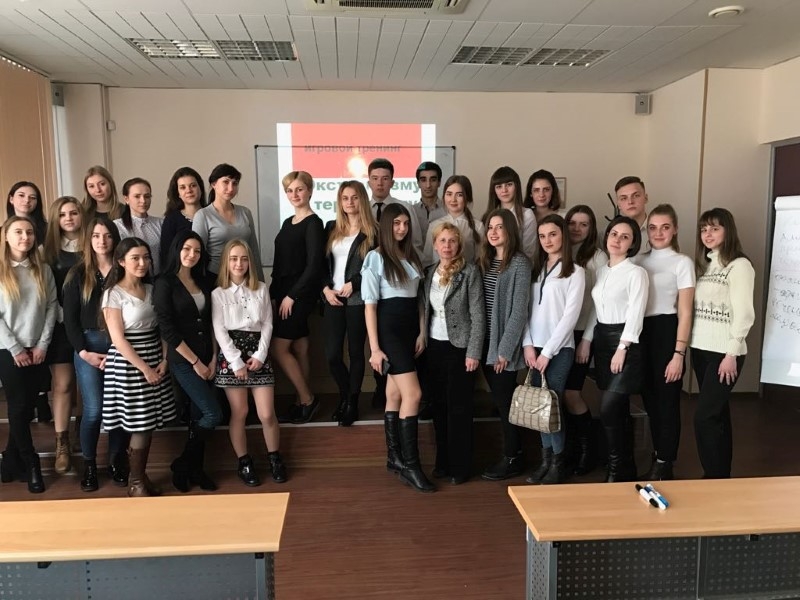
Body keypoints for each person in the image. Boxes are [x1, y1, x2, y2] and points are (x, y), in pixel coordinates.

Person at [362, 202, 434, 493]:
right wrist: (375, 349)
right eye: (396, 223)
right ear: (386, 226)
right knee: (413, 394)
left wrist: (422, 332)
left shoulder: (412, 257)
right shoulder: (376, 258)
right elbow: (370, 307)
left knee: (394, 394)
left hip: (409, 330)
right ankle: (411, 465)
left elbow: (419, 301)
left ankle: (394, 458)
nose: (402, 228)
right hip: (389, 331)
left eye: (405, 223)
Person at [101, 237, 176, 496]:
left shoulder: (153, 289)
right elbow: (118, 339)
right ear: (121, 262)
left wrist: (164, 359)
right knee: (140, 423)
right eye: (135, 258)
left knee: (149, 421)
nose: (142, 263)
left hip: (155, 354)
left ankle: (140, 477)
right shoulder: (113, 294)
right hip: (129, 363)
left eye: (146, 257)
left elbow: (163, 328)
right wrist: (145, 368)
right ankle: (136, 483)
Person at [578, 216, 648, 482]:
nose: (617, 240)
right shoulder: (602, 271)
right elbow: (596, 310)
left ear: (633, 243)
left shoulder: (636, 273)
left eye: (625, 236)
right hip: (602, 340)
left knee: (608, 408)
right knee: (618, 410)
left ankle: (617, 468)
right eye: (614, 234)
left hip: (625, 342)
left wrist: (623, 347)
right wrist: (586, 339)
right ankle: (625, 465)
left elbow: (636, 314)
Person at [212, 239, 285, 486]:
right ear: (226, 262)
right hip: (232, 356)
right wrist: (236, 362)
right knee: (240, 412)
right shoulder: (218, 293)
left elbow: (267, 324)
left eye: (243, 259)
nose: (239, 264)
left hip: (258, 353)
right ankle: (244, 463)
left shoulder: (261, 289)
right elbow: (219, 330)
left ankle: (275, 458)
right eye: (234, 259)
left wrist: (261, 355)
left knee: (266, 413)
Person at [154, 231, 223, 492]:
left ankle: (195, 469)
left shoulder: (204, 281)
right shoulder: (164, 283)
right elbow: (167, 329)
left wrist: (213, 358)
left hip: (208, 357)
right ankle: (183, 464)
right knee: (213, 413)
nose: (191, 255)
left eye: (196, 251)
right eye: (186, 248)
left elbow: (212, 323)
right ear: (176, 249)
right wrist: (195, 362)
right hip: (183, 360)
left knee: (199, 416)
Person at [63, 218, 128, 492]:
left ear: (115, 239)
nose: (102, 241)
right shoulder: (77, 273)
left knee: (119, 406)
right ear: (89, 240)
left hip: (120, 345)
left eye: (107, 236)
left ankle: (117, 460)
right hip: (88, 346)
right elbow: (70, 321)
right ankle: (89, 464)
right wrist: (84, 353)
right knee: (94, 409)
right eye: (96, 236)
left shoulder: (125, 269)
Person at [690, 208, 755, 479]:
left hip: (724, 353)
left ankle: (712, 476)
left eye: (715, 228)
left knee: (704, 417)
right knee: (718, 415)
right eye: (704, 229)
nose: (708, 234)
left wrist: (732, 353)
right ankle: (721, 476)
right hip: (700, 349)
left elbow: (745, 313)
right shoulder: (706, 266)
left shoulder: (739, 266)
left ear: (728, 231)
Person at [523, 214, 584, 485]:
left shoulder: (575, 271)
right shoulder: (535, 269)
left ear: (563, 236)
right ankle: (545, 461)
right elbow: (525, 310)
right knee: (539, 407)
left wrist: (547, 352)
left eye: (553, 234)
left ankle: (559, 463)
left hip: (559, 350)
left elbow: (570, 317)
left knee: (552, 405)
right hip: (533, 348)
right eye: (542, 236)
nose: (547, 240)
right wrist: (527, 344)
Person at [422, 222, 484, 485]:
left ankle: (460, 466)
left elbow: (478, 315)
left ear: (459, 245)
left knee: (459, 408)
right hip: (433, 347)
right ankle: (443, 462)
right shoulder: (428, 273)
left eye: (452, 241)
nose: (447, 246)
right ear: (435, 245)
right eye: (442, 241)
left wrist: (474, 351)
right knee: (438, 407)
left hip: (460, 349)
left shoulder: (469, 272)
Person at [637, 204, 695, 480]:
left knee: (668, 401)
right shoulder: (639, 261)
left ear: (675, 230)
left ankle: (665, 462)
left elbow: (686, 312)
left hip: (667, 331)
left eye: (665, 227)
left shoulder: (682, 262)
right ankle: (658, 452)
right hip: (641, 332)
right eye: (653, 227)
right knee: (649, 398)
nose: (658, 233)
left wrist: (678, 353)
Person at [0, 216, 57, 494]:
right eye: (18, 232)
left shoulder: (42, 270)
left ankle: (9, 460)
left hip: (37, 349)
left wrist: (42, 344)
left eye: (30, 232)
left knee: (27, 408)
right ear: (6, 236)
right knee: (18, 406)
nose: (25, 237)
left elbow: (51, 307)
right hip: (7, 350)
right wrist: (15, 348)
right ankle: (31, 461)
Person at [479, 208, 531, 481]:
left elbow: (519, 312)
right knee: (500, 400)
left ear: (510, 230)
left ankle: (513, 457)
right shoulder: (484, 260)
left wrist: (504, 351)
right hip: (484, 342)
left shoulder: (519, 263)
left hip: (502, 346)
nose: (493, 232)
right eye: (490, 227)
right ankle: (512, 453)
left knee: (505, 403)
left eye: (499, 227)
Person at [271, 171, 325, 424]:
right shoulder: (287, 222)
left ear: (310, 191)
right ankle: (300, 402)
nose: (294, 194)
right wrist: (275, 295)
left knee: (278, 348)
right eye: (290, 190)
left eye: (299, 189)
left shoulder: (314, 223)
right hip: (283, 293)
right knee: (300, 347)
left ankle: (307, 399)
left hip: (300, 295)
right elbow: (280, 264)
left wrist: (292, 295)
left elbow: (314, 266)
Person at [322, 180, 377, 426]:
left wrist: (354, 283)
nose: (350, 202)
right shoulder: (331, 228)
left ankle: (352, 402)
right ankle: (345, 395)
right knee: (332, 355)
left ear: (362, 199)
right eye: (345, 198)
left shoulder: (373, 231)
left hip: (357, 301)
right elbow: (320, 264)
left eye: (354, 197)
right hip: (332, 299)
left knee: (356, 353)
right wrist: (325, 289)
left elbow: (375, 268)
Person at [42, 196, 86, 475]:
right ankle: (62, 443)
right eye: (62, 214)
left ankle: (83, 431)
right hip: (59, 325)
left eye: (73, 213)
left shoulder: (93, 243)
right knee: (63, 384)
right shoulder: (47, 250)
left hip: (88, 324)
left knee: (86, 385)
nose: (68, 218)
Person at [562, 205, 606, 475]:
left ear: (592, 229)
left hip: (582, 333)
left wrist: (587, 339)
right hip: (560, 333)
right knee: (560, 394)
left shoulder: (598, 257)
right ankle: (568, 451)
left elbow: (598, 305)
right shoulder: (561, 252)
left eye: (584, 224)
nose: (577, 229)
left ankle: (588, 452)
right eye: (573, 223)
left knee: (572, 392)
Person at [193, 163, 263, 279]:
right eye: (226, 182)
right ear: (214, 184)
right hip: (215, 277)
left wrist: (260, 281)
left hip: (244, 277)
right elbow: (198, 253)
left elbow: (253, 250)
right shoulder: (203, 215)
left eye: (235, 183)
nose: (231, 188)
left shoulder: (245, 212)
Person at [423, 175, 484, 266]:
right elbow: (427, 260)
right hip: (438, 274)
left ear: (467, 197)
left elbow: (480, 260)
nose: (453, 199)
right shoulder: (434, 225)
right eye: (449, 194)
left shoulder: (478, 226)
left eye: (459, 195)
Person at [483, 167, 537, 262]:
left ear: (516, 186)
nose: (504, 190)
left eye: (509, 185)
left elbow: (528, 252)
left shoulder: (527, 215)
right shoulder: (488, 216)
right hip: (491, 266)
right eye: (499, 186)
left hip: (518, 266)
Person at [114, 178, 165, 276]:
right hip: (131, 279)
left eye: (147, 196)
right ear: (126, 199)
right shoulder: (118, 226)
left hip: (158, 278)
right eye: (137, 196)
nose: (143, 201)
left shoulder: (160, 223)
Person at [160, 166, 207, 269]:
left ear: (200, 188)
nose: (189, 190)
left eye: (193, 185)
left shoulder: (212, 214)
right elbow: (166, 255)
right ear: (178, 194)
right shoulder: (171, 220)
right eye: (182, 187)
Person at [409, 161, 446, 251]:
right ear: (418, 183)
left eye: (433, 180)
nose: (428, 185)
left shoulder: (448, 211)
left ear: (439, 182)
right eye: (423, 180)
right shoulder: (411, 211)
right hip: (415, 259)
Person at [614, 176, 648, 254]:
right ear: (618, 205)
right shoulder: (607, 234)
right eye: (624, 198)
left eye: (636, 196)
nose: (630, 202)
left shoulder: (661, 232)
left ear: (646, 198)